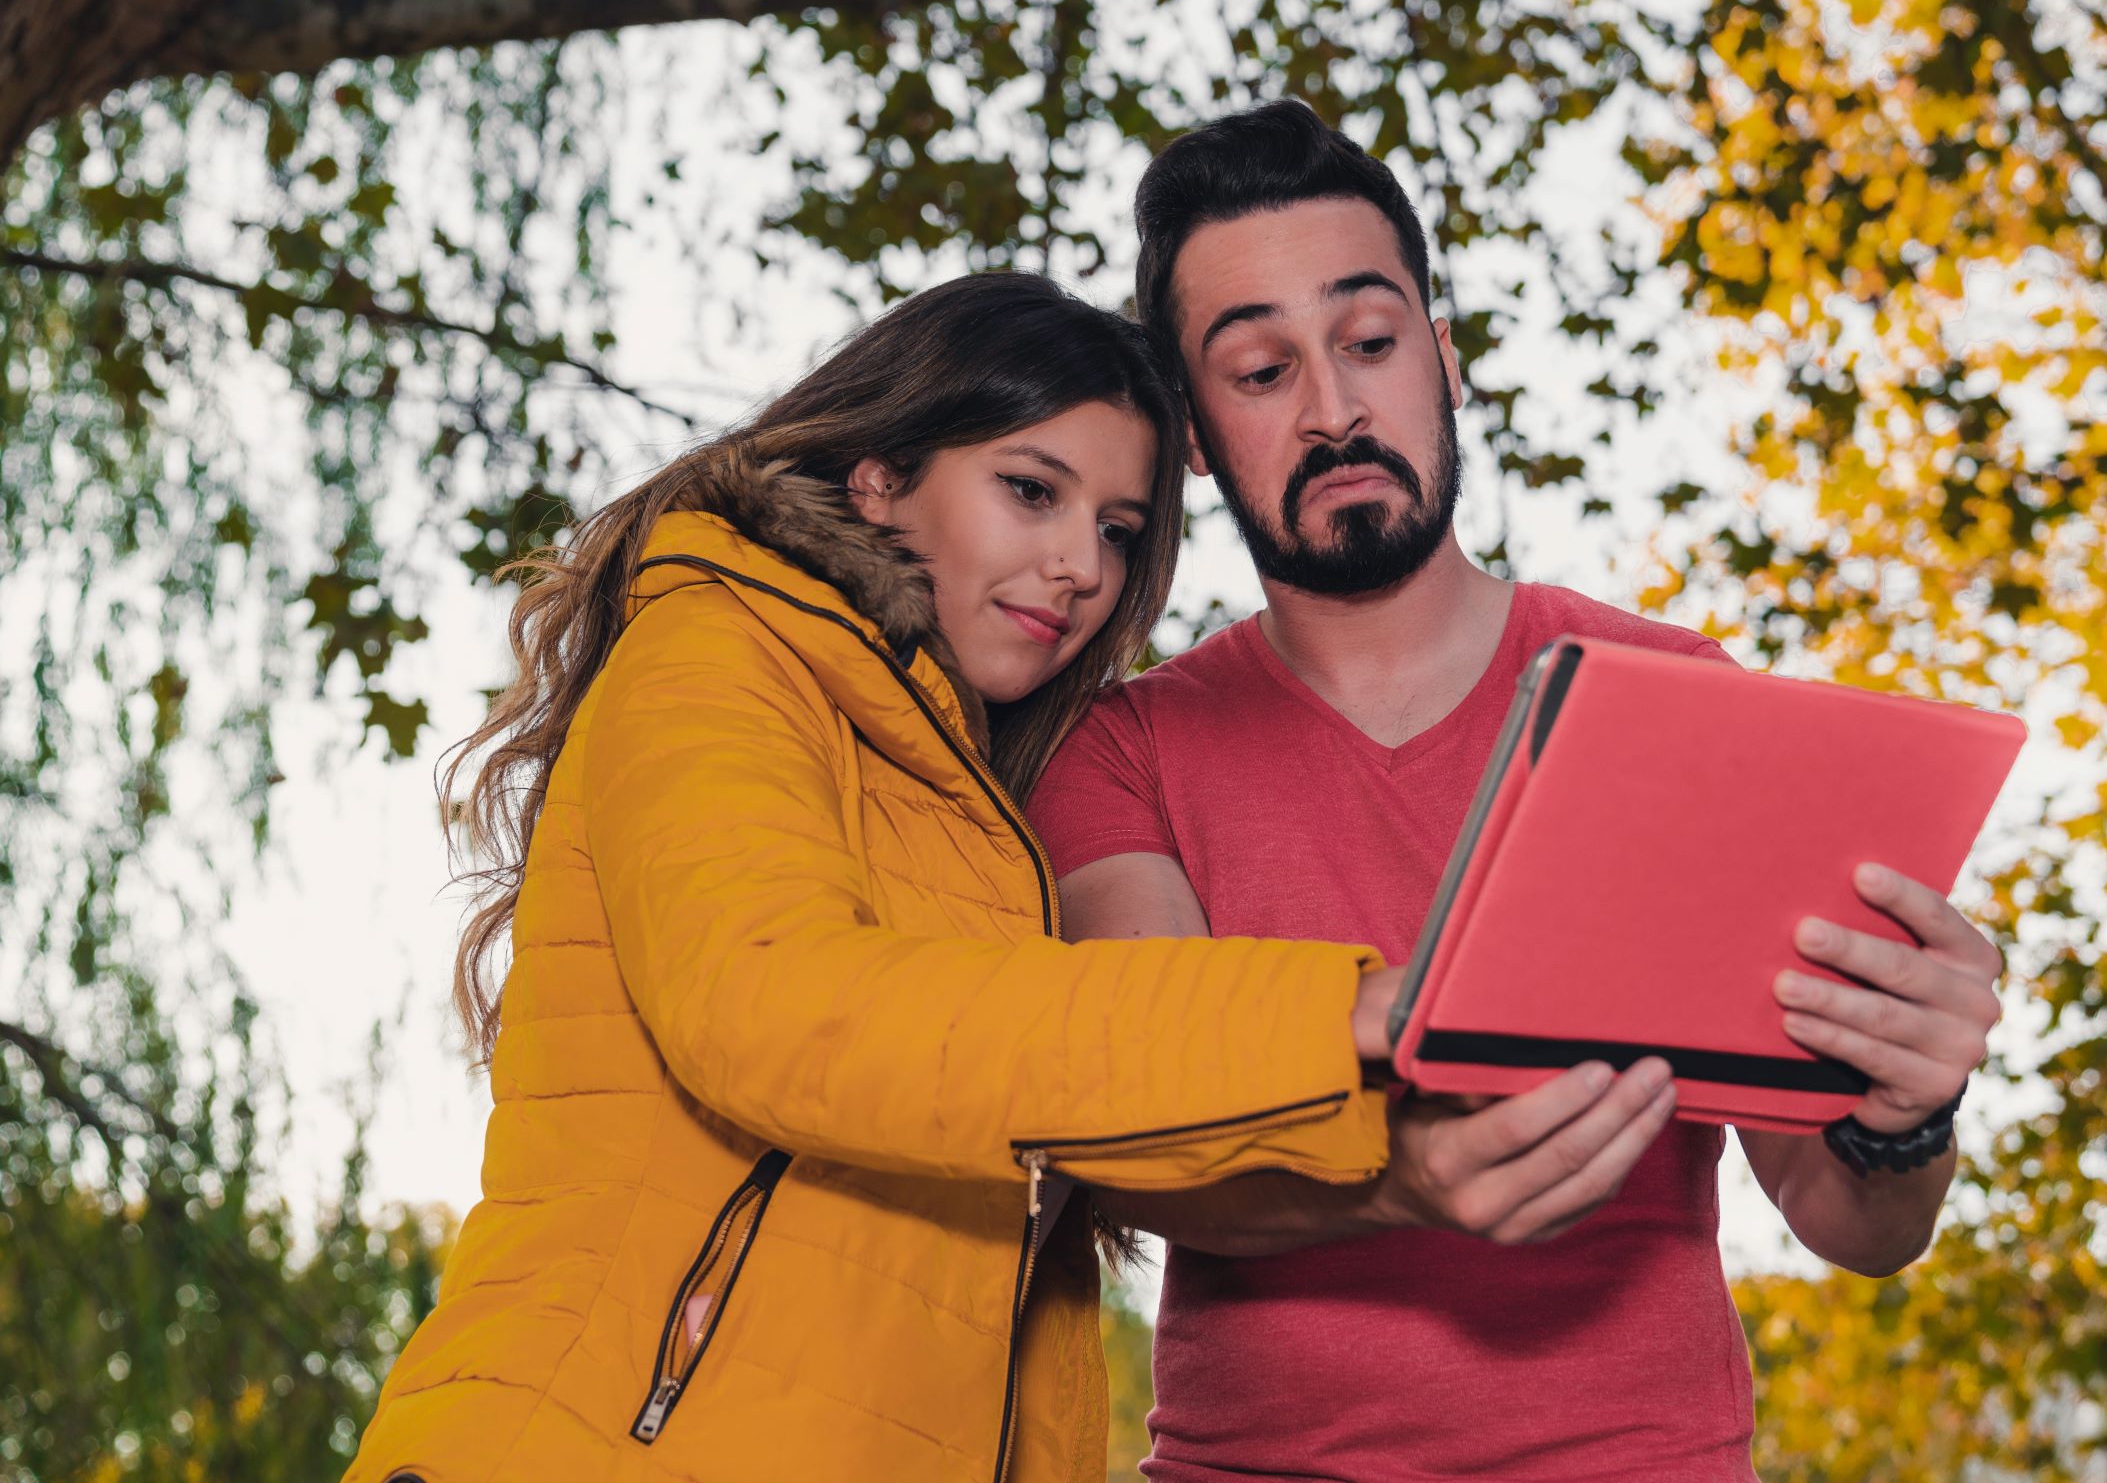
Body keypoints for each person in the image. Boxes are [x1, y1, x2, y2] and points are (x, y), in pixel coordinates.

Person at [341, 272, 1584, 1482]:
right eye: (1029, 490)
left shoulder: (977, 812)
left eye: (1113, 531)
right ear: (879, 476)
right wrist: (1336, 1013)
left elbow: (1044, 1123)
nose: (1077, 569)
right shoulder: (715, 652)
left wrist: (1400, 1147)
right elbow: (780, 1009)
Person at [1028, 102, 2006, 1481]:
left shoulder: (1674, 695)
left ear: (1441, 357)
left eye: (1368, 343)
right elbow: (1144, 1145)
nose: (1332, 406)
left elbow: (1852, 1224)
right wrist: (1394, 1181)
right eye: (1258, 370)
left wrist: (1899, 1115)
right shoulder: (1119, 748)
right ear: (1190, 434)